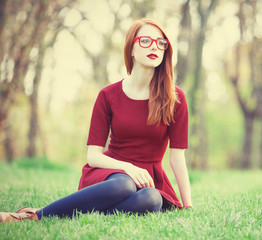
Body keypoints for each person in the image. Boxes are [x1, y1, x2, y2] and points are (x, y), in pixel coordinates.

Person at [0, 18, 192, 223]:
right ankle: (34, 215)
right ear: (131, 49)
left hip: (149, 179)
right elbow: (93, 156)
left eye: (161, 43)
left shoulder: (175, 98)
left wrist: (188, 205)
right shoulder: (108, 95)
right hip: (111, 173)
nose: (154, 46)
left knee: (152, 199)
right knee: (124, 185)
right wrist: (129, 168)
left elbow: (177, 158)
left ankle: (70, 212)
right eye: (146, 40)